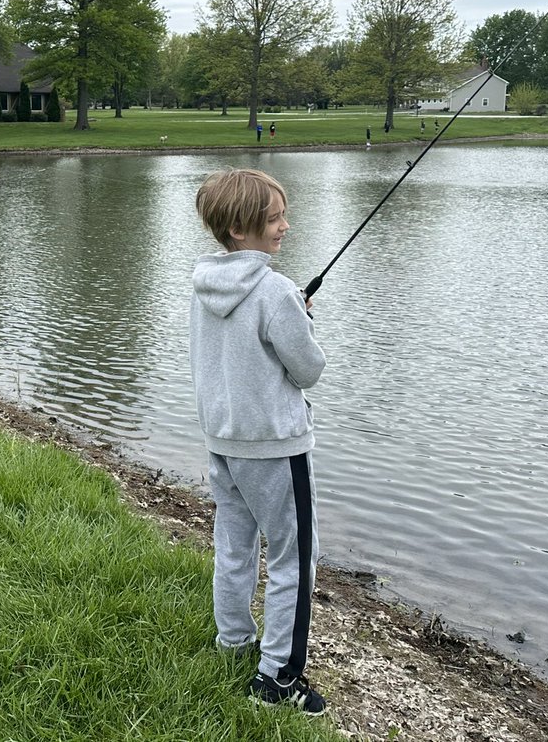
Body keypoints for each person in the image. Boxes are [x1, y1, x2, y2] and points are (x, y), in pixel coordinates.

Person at [190, 168, 327, 717]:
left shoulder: (203, 284)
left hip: (222, 441)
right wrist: (302, 320)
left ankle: (233, 642)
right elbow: (308, 369)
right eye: (275, 219)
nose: (285, 227)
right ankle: (278, 678)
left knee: (233, 545)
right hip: (274, 447)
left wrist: (293, 312)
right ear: (241, 227)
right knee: (296, 557)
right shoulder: (275, 291)